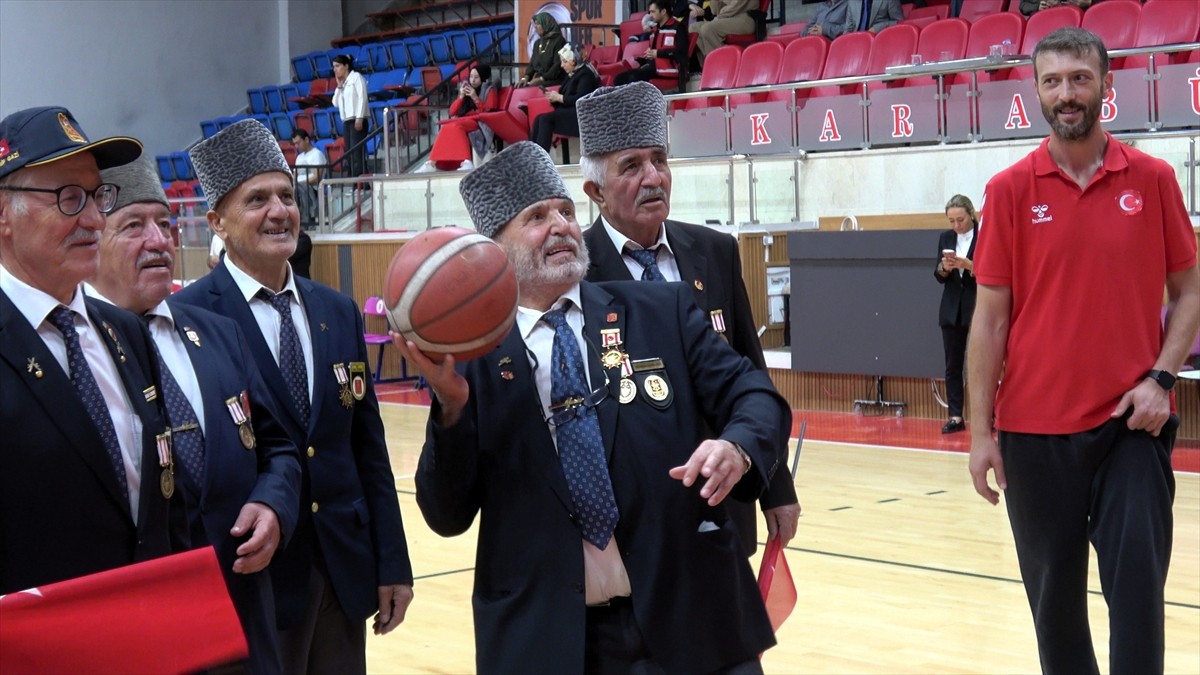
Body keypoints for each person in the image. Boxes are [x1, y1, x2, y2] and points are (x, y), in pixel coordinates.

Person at [397, 141, 787, 673]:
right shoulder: (471, 362)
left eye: (565, 211)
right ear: (494, 249)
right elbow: (445, 516)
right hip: (552, 642)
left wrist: (738, 447)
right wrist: (451, 410)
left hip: (692, 618)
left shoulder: (659, 311)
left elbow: (755, 395)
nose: (560, 225)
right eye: (536, 217)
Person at [968, 28, 1200, 674]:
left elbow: (1191, 290)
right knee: (1056, 607)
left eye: (1079, 78)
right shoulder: (1009, 190)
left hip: (1132, 422)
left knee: (1137, 590)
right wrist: (980, 431)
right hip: (1032, 433)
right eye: (1053, 81)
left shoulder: (1152, 180)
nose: (1066, 93)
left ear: (1106, 86)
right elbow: (988, 323)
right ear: (1037, 91)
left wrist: (1161, 377)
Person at [176, 119, 414, 675]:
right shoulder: (190, 318)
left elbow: (368, 449)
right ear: (218, 222)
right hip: (253, 581)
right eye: (256, 199)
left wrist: (393, 562)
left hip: (343, 572)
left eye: (286, 195)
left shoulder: (336, 310)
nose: (279, 211)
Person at [87, 153, 302, 675]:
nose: (159, 240)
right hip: (142, 634)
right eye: (134, 226)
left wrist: (274, 505)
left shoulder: (217, 333)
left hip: (243, 621)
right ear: (92, 241)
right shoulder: (81, 350)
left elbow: (279, 447)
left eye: (164, 224)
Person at [577, 81, 802, 555]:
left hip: (723, 504)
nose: (653, 177)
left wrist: (776, 487)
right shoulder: (574, 271)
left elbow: (751, 372)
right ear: (595, 190)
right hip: (633, 525)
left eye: (659, 160)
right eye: (632, 166)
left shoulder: (714, 251)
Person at [0, 106, 181, 594]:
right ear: (3, 215)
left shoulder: (126, 332)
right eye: (69, 198)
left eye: (98, 196)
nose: (96, 219)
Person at [933, 194, 977, 435]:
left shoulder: (986, 234)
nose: (956, 225)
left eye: (960, 219)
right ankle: (956, 415)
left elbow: (993, 270)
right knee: (953, 364)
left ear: (970, 214)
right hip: (951, 308)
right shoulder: (945, 238)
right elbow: (938, 275)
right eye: (951, 220)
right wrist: (945, 268)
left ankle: (988, 414)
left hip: (978, 305)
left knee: (982, 364)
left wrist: (969, 265)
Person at [424, 64, 498, 172]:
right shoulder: (466, 87)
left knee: (457, 126)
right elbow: (452, 111)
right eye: (471, 76)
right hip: (464, 119)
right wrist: (461, 97)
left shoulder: (489, 90)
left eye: (476, 77)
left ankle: (467, 161)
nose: (472, 80)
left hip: (480, 122)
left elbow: (489, 112)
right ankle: (432, 162)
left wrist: (475, 98)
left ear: (483, 77)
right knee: (446, 127)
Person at [531, 44, 600, 152]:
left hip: (582, 118)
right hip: (569, 113)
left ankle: (540, 161)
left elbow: (580, 99)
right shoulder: (572, 74)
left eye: (564, 61)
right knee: (538, 119)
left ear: (573, 61)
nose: (562, 65)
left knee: (545, 119)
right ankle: (532, 156)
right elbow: (565, 98)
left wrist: (559, 98)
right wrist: (553, 99)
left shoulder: (586, 75)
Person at [613, 2, 685, 87]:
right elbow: (654, 54)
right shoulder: (654, 30)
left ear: (663, 11)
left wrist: (657, 53)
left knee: (634, 78)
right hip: (653, 68)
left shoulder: (678, 27)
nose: (650, 15)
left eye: (653, 12)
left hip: (670, 70)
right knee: (619, 79)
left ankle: (638, 100)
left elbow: (681, 52)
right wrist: (647, 56)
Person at [331, 54, 370, 178]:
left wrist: (359, 117)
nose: (335, 69)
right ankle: (354, 182)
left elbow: (362, 97)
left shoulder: (356, 78)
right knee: (350, 153)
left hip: (357, 119)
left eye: (337, 66)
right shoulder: (343, 84)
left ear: (346, 66)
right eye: (333, 67)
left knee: (357, 153)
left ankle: (361, 184)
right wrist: (339, 86)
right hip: (347, 121)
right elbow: (335, 103)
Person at [689, 0, 754, 63]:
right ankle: (707, 65)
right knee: (694, 28)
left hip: (745, 18)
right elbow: (715, 11)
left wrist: (718, 17)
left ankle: (727, 64)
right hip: (726, 18)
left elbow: (736, 6)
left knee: (708, 29)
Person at [520, 12, 567, 88]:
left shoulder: (559, 41)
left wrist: (542, 79)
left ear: (546, 24)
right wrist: (525, 77)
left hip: (555, 80)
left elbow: (557, 66)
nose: (535, 27)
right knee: (520, 86)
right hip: (539, 80)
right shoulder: (537, 43)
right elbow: (532, 65)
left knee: (536, 87)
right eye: (535, 25)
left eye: (538, 24)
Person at [291, 129, 325, 226]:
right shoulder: (299, 157)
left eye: (298, 143)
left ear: (306, 139)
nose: (297, 146)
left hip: (312, 187)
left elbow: (316, 177)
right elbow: (294, 176)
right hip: (298, 186)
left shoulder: (316, 154)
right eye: (295, 144)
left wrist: (300, 184)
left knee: (301, 189)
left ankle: (306, 220)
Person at [1020, 0, 1091, 17]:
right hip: (1043, 19)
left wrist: (1089, 1)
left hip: (1073, 17)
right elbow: (1023, 5)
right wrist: (1037, 6)